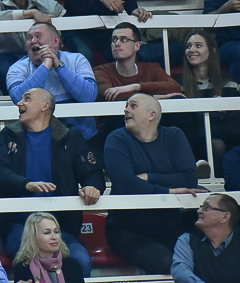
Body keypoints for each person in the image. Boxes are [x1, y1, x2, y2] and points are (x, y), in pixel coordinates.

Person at [0, 88, 104, 276]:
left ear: (45, 106)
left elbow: (92, 173)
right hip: (19, 226)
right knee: (33, 262)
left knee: (80, 262)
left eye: (27, 99)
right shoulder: (9, 134)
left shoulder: (70, 135)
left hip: (60, 227)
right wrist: (26, 184)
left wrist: (92, 187)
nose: (19, 103)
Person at [103, 94, 207, 274]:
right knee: (164, 262)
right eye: (126, 106)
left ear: (151, 115)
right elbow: (126, 186)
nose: (126, 110)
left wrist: (149, 178)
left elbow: (189, 179)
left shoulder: (174, 135)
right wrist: (170, 190)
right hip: (126, 229)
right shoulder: (116, 139)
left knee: (201, 258)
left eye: (133, 106)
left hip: (169, 226)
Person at [6, 22, 97, 140]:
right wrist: (45, 66)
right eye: (29, 38)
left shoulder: (77, 60)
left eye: (38, 36)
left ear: (55, 41)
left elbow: (89, 96)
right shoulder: (17, 68)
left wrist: (59, 66)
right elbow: (18, 98)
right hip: (38, 139)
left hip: (82, 138)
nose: (33, 41)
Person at [179, 29, 240, 170]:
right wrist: (214, 112)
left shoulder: (229, 83)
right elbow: (188, 124)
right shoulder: (179, 86)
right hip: (197, 140)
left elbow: (234, 124)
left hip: (229, 138)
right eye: (188, 46)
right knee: (217, 145)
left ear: (212, 51)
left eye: (198, 45)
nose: (192, 50)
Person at [94, 23, 182, 102]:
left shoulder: (151, 68)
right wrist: (154, 98)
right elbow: (112, 95)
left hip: (148, 114)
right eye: (114, 40)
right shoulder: (101, 71)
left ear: (137, 46)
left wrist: (136, 86)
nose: (117, 43)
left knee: (177, 99)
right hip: (118, 114)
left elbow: (174, 87)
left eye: (123, 39)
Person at [171, 193, 240, 283]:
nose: (199, 211)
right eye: (201, 207)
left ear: (225, 216)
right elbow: (181, 273)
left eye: (206, 207)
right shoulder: (187, 240)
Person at [12, 212, 85, 283]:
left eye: (56, 232)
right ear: (33, 238)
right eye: (47, 233)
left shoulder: (72, 265)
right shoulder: (22, 268)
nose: (54, 237)